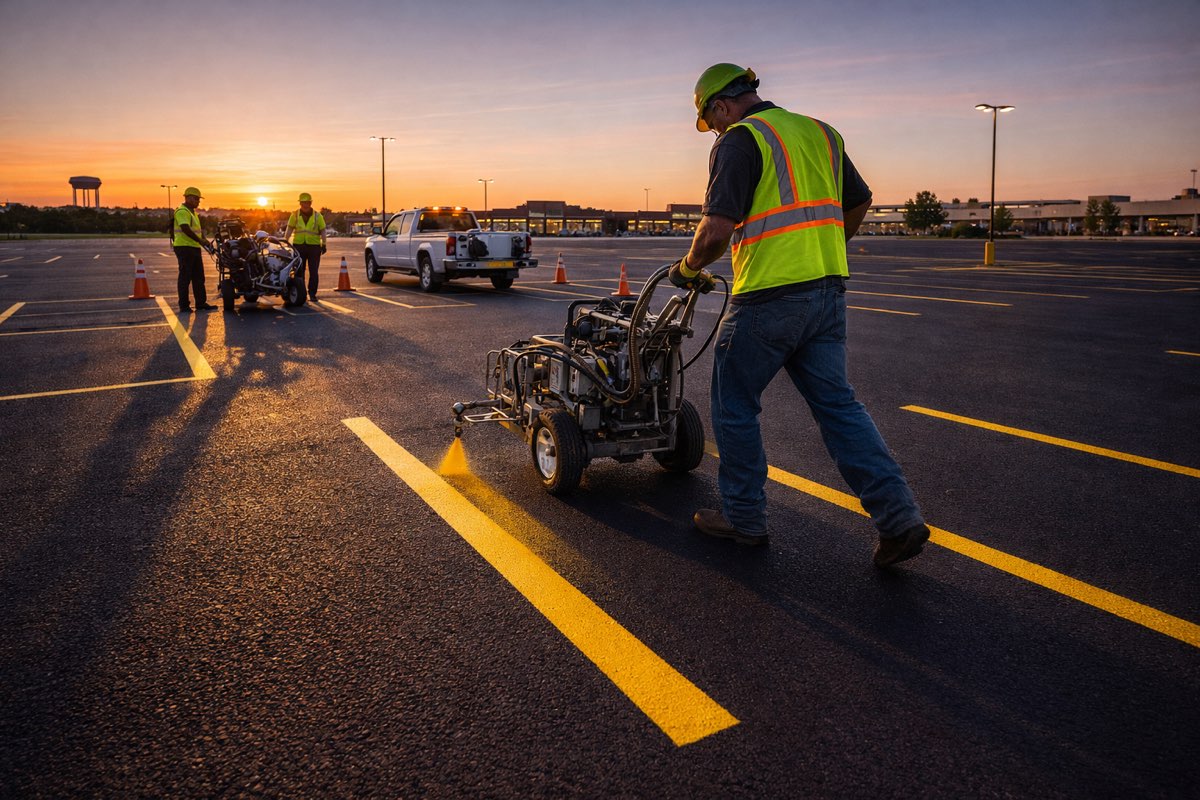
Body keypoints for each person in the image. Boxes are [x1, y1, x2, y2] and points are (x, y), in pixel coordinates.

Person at [670, 64, 929, 568]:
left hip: (768, 297)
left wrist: (687, 268)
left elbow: (717, 230)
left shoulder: (741, 140)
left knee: (734, 404)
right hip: (827, 291)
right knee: (839, 408)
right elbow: (859, 201)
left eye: (713, 121)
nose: (716, 131)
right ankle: (898, 519)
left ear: (720, 106)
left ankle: (745, 518)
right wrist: (823, 247)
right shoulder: (820, 132)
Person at [173, 187, 215, 312]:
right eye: (196, 198)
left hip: (194, 247)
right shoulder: (182, 211)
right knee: (185, 277)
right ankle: (184, 305)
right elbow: (185, 229)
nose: (198, 201)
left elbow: (198, 231)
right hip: (184, 247)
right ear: (188, 197)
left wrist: (205, 241)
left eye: (199, 199)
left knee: (199, 277)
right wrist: (200, 240)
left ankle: (201, 303)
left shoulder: (193, 213)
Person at [284, 193, 327, 299]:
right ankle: (301, 293)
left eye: (307, 202)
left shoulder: (318, 216)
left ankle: (312, 294)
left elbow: (323, 231)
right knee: (299, 271)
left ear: (310, 203)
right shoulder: (294, 215)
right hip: (299, 246)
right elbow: (289, 229)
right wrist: (285, 242)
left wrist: (324, 244)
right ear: (300, 203)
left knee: (313, 271)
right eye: (303, 203)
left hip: (314, 247)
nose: (305, 205)